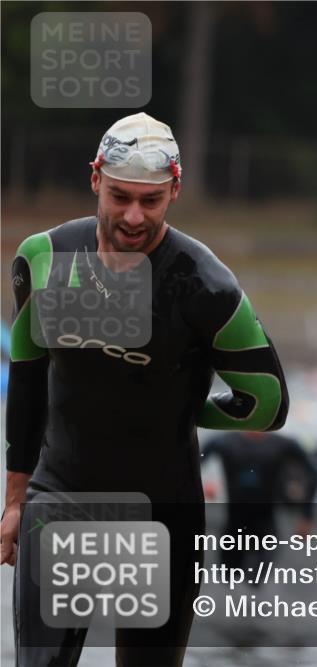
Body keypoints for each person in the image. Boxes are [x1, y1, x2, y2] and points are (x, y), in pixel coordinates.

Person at [0, 112, 289, 666]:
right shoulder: (44, 259)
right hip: (61, 496)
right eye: (120, 196)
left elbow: (269, 404)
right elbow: (30, 377)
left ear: (174, 190)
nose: (133, 215)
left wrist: (186, 408)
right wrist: (15, 500)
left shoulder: (205, 285)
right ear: (95, 179)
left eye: (150, 200)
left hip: (161, 510)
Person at [201, 431, 317, 579]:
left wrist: (307, 515)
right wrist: (202, 486)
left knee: (256, 579)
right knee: (228, 576)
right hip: (235, 521)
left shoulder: (283, 445)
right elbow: (191, 465)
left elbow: (313, 473)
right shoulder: (225, 442)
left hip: (265, 521)